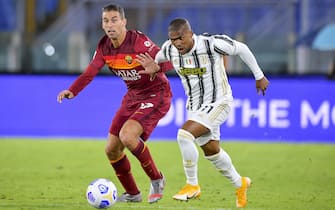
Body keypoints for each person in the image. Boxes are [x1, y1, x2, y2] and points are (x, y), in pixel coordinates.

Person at [136, 18, 269, 208]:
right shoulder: (169, 49)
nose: (177, 43)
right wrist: (154, 67)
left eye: (180, 38)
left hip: (219, 102)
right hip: (195, 107)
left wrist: (259, 76)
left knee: (184, 135)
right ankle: (240, 184)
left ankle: (192, 185)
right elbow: (158, 60)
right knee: (212, 151)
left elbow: (242, 49)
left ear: (190, 34)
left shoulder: (212, 44)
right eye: (173, 39)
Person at [57, 3, 173, 203]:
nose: (110, 25)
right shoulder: (104, 47)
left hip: (157, 94)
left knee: (127, 136)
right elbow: (90, 72)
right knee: (111, 148)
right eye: (105, 21)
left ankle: (157, 179)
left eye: (114, 20)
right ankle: (133, 194)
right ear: (102, 25)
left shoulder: (139, 42)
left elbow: (169, 61)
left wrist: (158, 66)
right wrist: (72, 90)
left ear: (123, 22)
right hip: (133, 96)